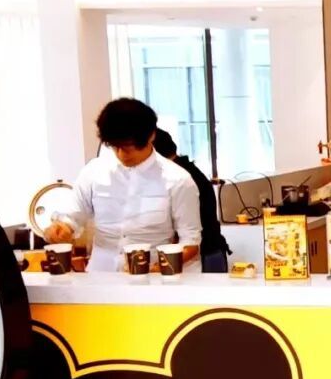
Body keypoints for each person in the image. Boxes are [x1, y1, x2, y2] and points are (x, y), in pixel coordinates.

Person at [44, 99, 202, 272]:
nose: (121, 154)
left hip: (152, 277)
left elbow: (190, 242)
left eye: (128, 147)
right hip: (100, 275)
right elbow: (72, 218)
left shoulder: (178, 179)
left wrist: (157, 269)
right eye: (115, 147)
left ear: (151, 136)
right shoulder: (93, 171)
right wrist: (61, 229)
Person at [153, 129, 231, 273]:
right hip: (210, 248)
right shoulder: (188, 170)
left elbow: (187, 232)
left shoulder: (180, 178)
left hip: (204, 253)